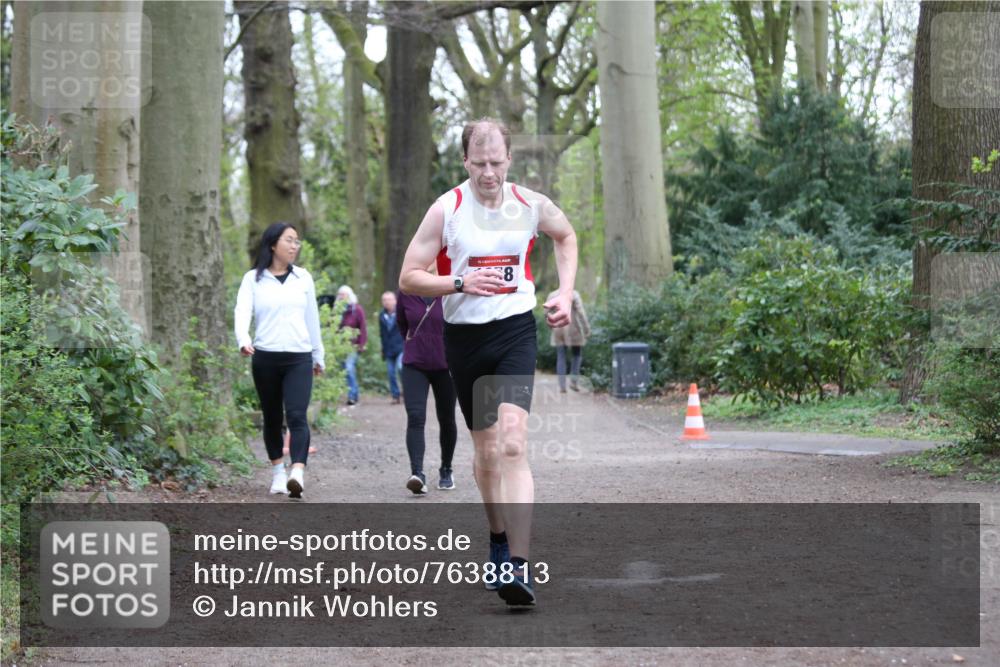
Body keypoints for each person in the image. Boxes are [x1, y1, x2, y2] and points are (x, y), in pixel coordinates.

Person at [399, 118, 578, 608]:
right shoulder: (448, 209)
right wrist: (459, 283)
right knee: (486, 455)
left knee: (514, 446)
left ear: (509, 160)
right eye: (479, 163)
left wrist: (564, 291)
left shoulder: (529, 205)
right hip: (464, 339)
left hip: (516, 330)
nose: (488, 173)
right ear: (465, 162)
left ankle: (518, 567)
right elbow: (410, 277)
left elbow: (566, 236)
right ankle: (497, 537)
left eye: (496, 162)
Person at [235, 222, 324, 499]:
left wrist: (318, 355)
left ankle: (297, 471)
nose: (294, 246)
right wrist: (243, 339)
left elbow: (313, 319)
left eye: (297, 241)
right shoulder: (253, 279)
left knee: (297, 414)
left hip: (299, 356)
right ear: (273, 244)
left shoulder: (303, 278)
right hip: (265, 357)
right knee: (272, 417)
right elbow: (242, 311)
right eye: (289, 240)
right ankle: (277, 473)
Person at [396, 284, 458, 495]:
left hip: (447, 365)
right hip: (415, 363)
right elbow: (402, 325)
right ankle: (417, 474)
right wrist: (418, 344)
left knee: (447, 419)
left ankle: (446, 469)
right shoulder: (406, 291)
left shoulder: (450, 289)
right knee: (415, 416)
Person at [546, 289, 591, 392]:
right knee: (577, 355)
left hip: (558, 329)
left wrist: (551, 326)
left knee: (561, 356)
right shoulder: (574, 294)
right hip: (573, 329)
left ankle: (562, 386)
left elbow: (546, 313)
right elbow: (581, 312)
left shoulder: (552, 294)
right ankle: (573, 383)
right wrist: (586, 329)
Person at [336, 285, 366, 406]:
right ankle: (355, 394)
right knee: (346, 371)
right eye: (340, 294)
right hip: (340, 346)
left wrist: (362, 344)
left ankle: (352, 396)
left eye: (344, 294)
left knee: (349, 368)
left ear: (349, 295)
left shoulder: (357, 309)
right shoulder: (337, 310)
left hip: (353, 345)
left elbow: (363, 327)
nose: (342, 296)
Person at [378, 291, 405, 404]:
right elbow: (382, 334)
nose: (387, 302)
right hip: (388, 349)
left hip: (401, 347)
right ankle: (395, 395)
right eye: (384, 300)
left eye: (389, 299)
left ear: (395, 301)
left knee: (401, 367)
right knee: (390, 372)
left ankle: (407, 391)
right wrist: (383, 349)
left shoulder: (401, 312)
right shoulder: (381, 315)